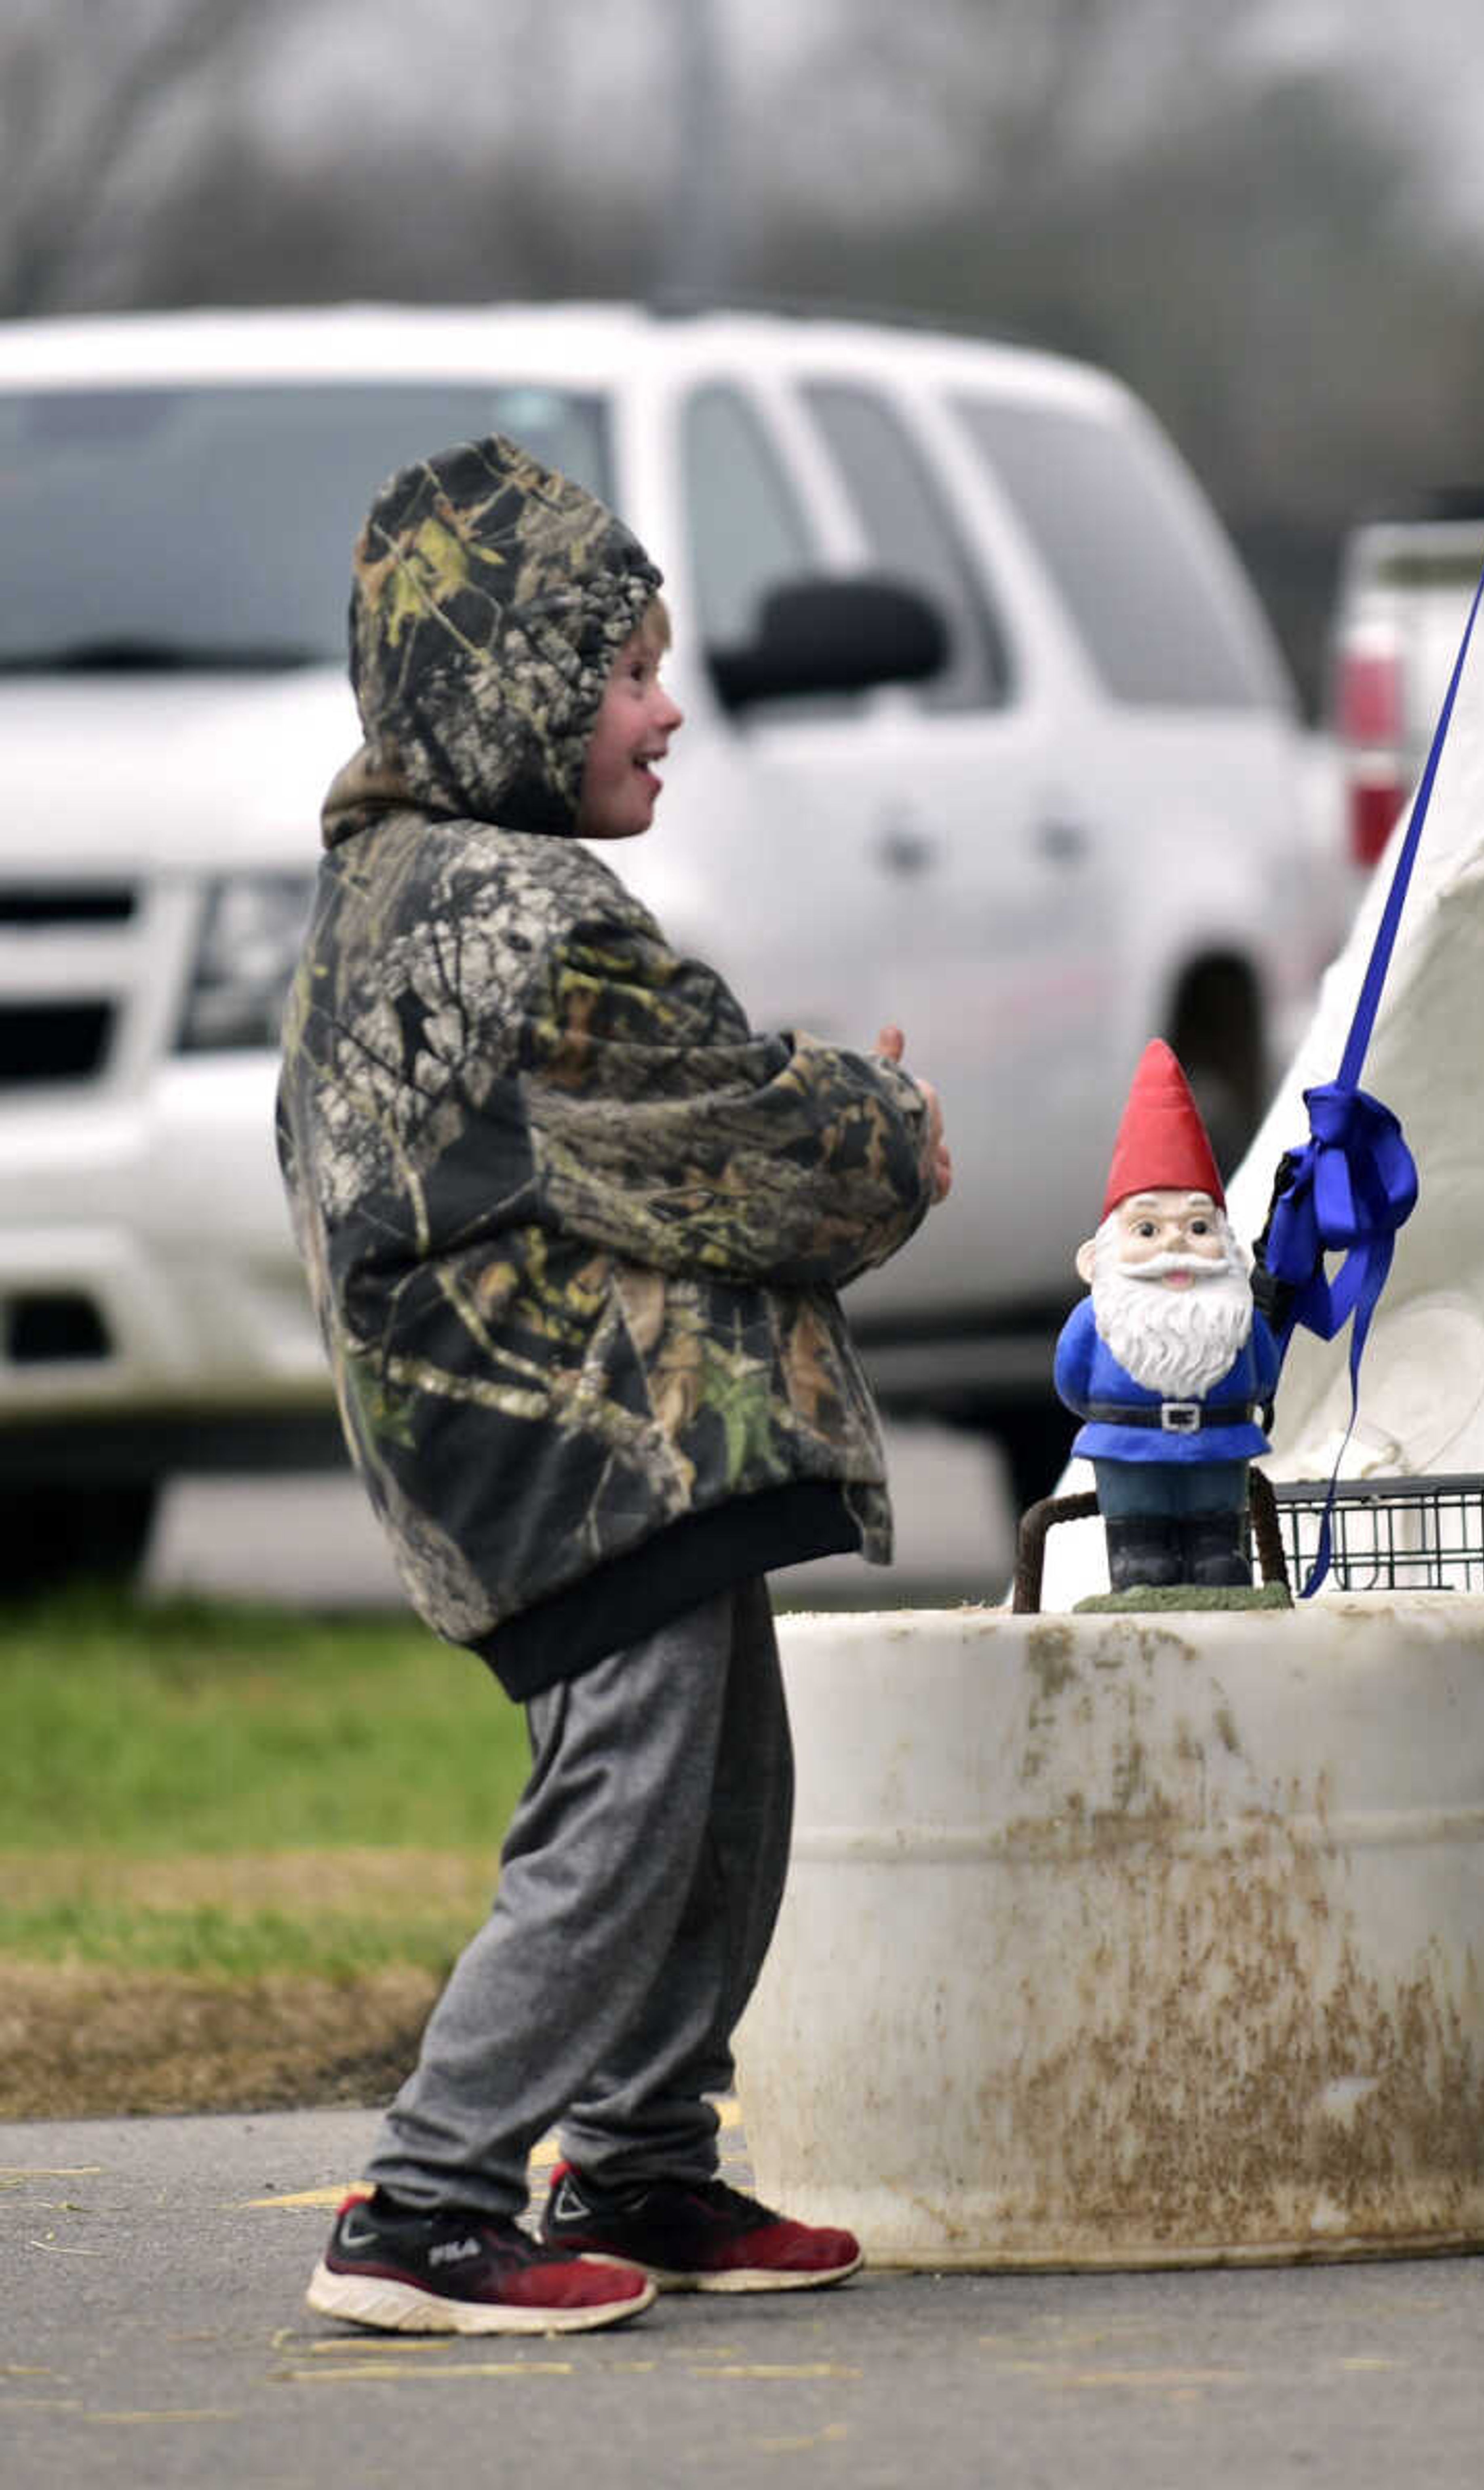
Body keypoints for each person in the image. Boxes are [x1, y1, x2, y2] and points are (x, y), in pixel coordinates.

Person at [275, 435, 951, 2335]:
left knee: (726, 1788)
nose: (668, 715)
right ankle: (426, 2201)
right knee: (627, 1807)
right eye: (630, 675)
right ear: (519, 688)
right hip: (573, 1440)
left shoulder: (408, 884)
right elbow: (727, 1130)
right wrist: (886, 1124)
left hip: (613, 1438)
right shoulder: (520, 916)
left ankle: (643, 2158)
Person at [1054, 1040, 1280, 1593]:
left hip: (1221, 1451)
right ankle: (1137, 1551)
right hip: (1129, 1454)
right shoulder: (1097, 1318)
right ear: (1096, 1257)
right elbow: (1072, 1381)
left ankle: (1219, 1550)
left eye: (1199, 1229)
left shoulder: (1239, 1318)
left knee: (1219, 1555)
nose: (1175, 1243)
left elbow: (1266, 1374)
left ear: (1232, 1251)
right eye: (1148, 1230)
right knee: (1142, 1552)